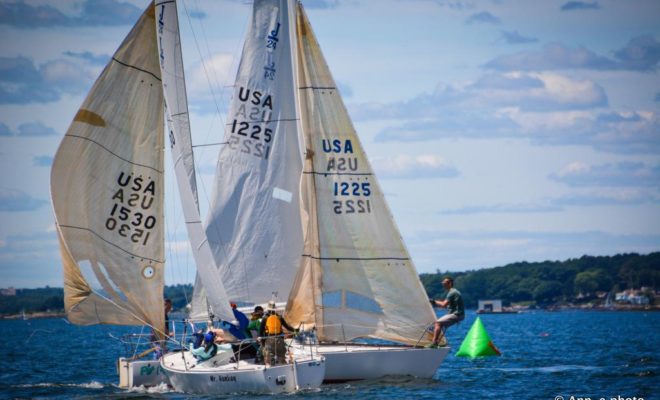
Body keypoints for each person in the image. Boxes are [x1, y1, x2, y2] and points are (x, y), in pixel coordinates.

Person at [428, 277, 464, 348]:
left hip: (457, 314)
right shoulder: (453, 292)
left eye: (445, 283)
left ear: (450, 283)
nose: (443, 284)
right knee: (441, 325)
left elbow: (443, 305)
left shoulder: (452, 292)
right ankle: (440, 343)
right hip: (458, 315)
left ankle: (434, 343)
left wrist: (433, 301)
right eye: (443, 283)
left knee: (438, 323)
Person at [258, 301, 297, 366]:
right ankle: (285, 367)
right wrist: (295, 330)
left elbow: (261, 331)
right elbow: (287, 327)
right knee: (281, 358)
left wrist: (262, 343)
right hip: (279, 340)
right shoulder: (279, 317)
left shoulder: (265, 318)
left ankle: (271, 368)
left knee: (269, 360)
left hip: (269, 340)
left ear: (268, 309)